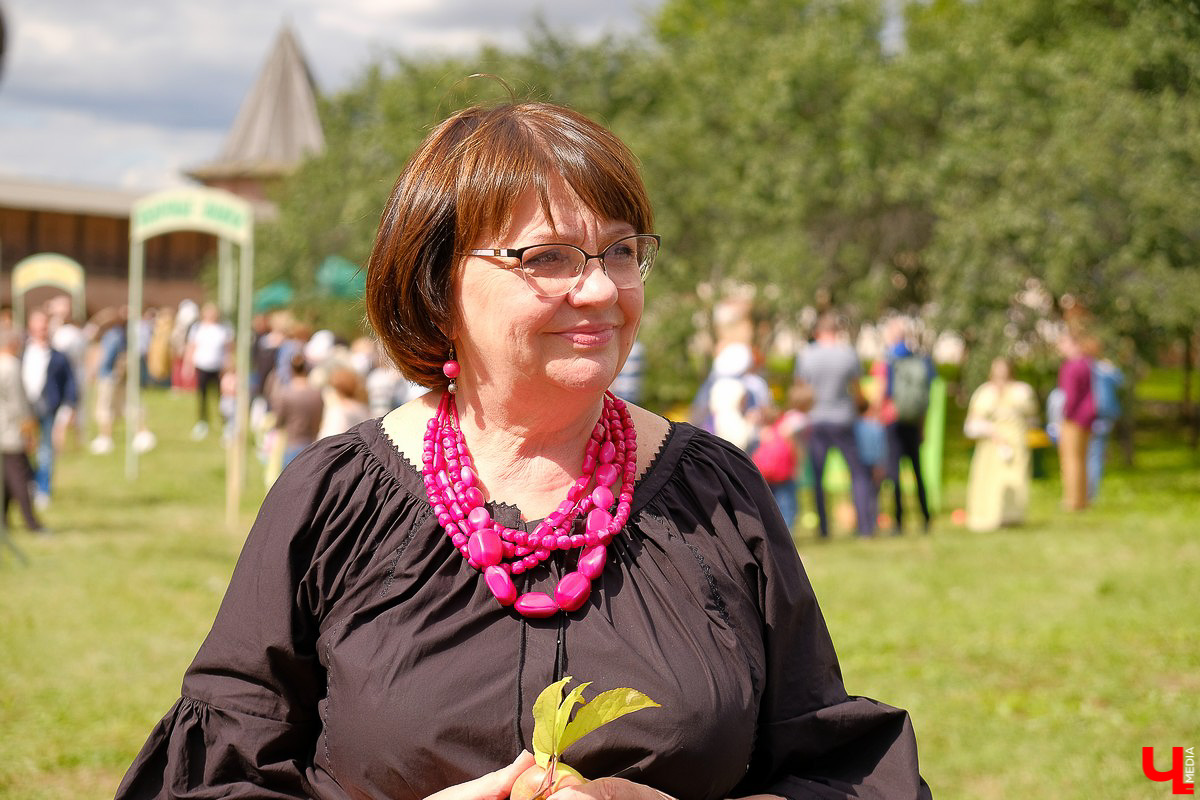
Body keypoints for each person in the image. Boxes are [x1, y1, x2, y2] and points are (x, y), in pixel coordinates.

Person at [117, 101, 929, 800]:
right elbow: (217, 777)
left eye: (620, 250)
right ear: (437, 286)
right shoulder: (330, 501)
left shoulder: (715, 496)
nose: (604, 289)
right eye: (547, 257)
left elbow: (835, 771)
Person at [795, 313, 876, 537]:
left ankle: (823, 529)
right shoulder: (848, 354)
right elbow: (858, 390)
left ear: (816, 333)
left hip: (816, 420)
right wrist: (863, 408)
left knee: (818, 476)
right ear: (836, 332)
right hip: (844, 420)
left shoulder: (806, 356)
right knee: (857, 474)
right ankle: (866, 528)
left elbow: (800, 391)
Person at [963, 358, 1038, 532]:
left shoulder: (1022, 391)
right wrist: (992, 433)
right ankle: (986, 516)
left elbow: (1031, 417)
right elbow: (973, 421)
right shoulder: (985, 392)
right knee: (989, 478)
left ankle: (1012, 516)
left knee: (1014, 476)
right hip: (990, 443)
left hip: (1015, 441)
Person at [873, 318, 933, 534]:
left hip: (893, 421)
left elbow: (881, 393)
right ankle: (926, 518)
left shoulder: (888, 361)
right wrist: (922, 426)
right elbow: (925, 397)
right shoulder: (919, 359)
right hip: (913, 421)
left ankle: (898, 522)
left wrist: (876, 418)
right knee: (918, 471)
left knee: (894, 473)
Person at [21, 308, 77, 507]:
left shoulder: (59, 357)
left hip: (48, 408)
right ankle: (28, 484)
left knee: (46, 451)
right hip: (24, 409)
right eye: (38, 327)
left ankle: (43, 489)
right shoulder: (22, 353)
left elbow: (70, 384)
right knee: (21, 450)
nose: (41, 331)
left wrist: (69, 409)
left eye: (44, 328)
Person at [0, 329, 46, 533]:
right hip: (10, 431)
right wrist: (29, 432)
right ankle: (31, 523)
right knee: (21, 476)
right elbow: (20, 405)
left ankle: (3, 520)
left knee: (6, 477)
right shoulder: (11, 366)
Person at [1056, 331, 1095, 511]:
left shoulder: (1071, 366)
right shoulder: (1088, 364)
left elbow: (1070, 396)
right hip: (1088, 417)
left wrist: (1063, 415)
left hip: (1073, 418)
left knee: (1070, 460)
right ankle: (1083, 499)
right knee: (1082, 460)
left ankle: (1072, 500)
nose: (1060, 347)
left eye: (1063, 343)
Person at [183, 302, 232, 440]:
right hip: (202, 366)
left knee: (222, 397)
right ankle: (202, 422)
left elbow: (229, 349)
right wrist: (188, 365)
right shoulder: (197, 328)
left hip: (219, 368)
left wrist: (229, 366)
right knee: (202, 396)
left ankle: (225, 423)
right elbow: (191, 347)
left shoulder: (223, 329)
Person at [1086, 341, 1124, 501]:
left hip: (1096, 416)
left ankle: (1089, 493)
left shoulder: (1092, 368)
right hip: (1102, 416)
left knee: (1093, 453)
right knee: (1095, 453)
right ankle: (1088, 492)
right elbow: (1121, 381)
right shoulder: (1104, 369)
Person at [272, 352, 323, 468]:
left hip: (292, 443)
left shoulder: (286, 393)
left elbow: (279, 421)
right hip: (313, 443)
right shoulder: (316, 393)